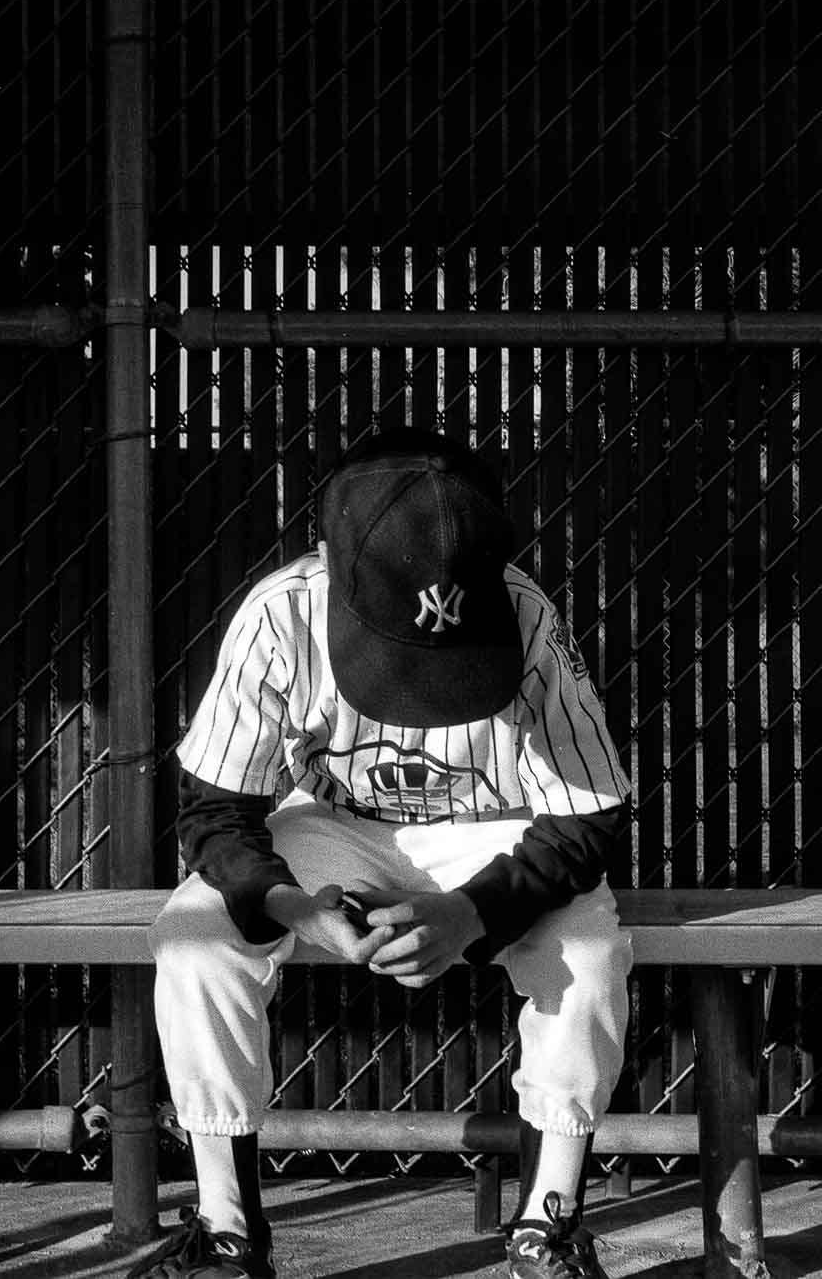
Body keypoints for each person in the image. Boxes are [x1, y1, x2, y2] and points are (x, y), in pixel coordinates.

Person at [133, 426, 634, 1279]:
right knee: (195, 933)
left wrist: (478, 909)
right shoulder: (281, 611)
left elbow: (589, 817)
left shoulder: (524, 613)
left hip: (494, 830)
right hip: (335, 826)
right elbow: (214, 808)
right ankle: (226, 1228)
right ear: (328, 555)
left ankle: (548, 1223)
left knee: (587, 946)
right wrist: (293, 909)